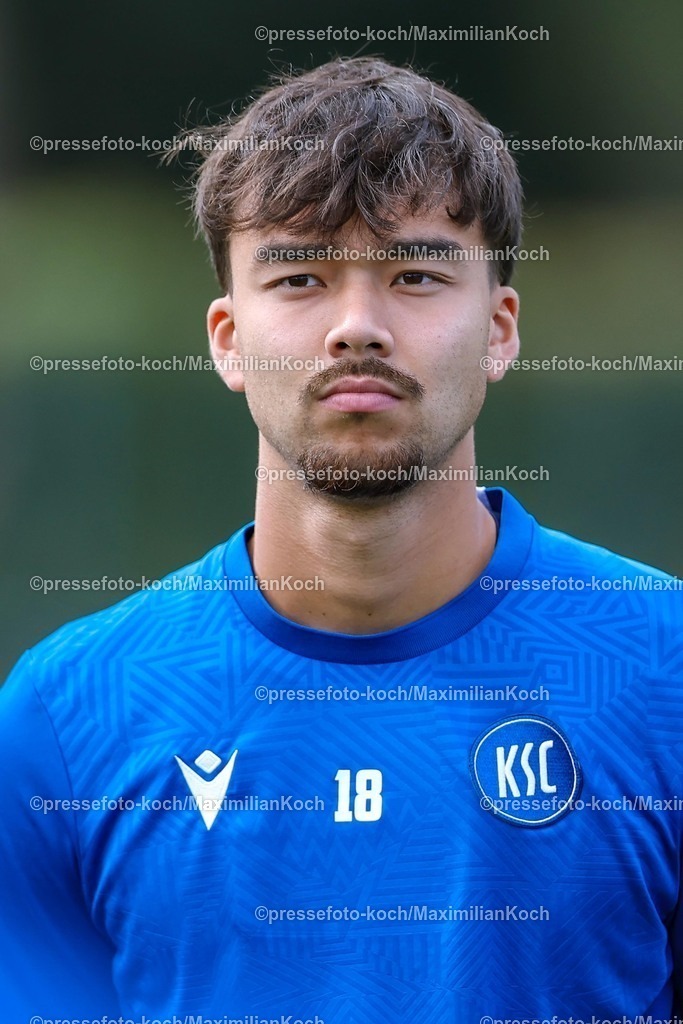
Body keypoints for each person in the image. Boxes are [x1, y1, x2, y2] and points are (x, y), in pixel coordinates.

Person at [1, 56, 680, 1022]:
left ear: (499, 328)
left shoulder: (665, 677)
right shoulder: (65, 725)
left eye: (414, 274)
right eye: (300, 276)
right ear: (227, 338)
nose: (356, 327)